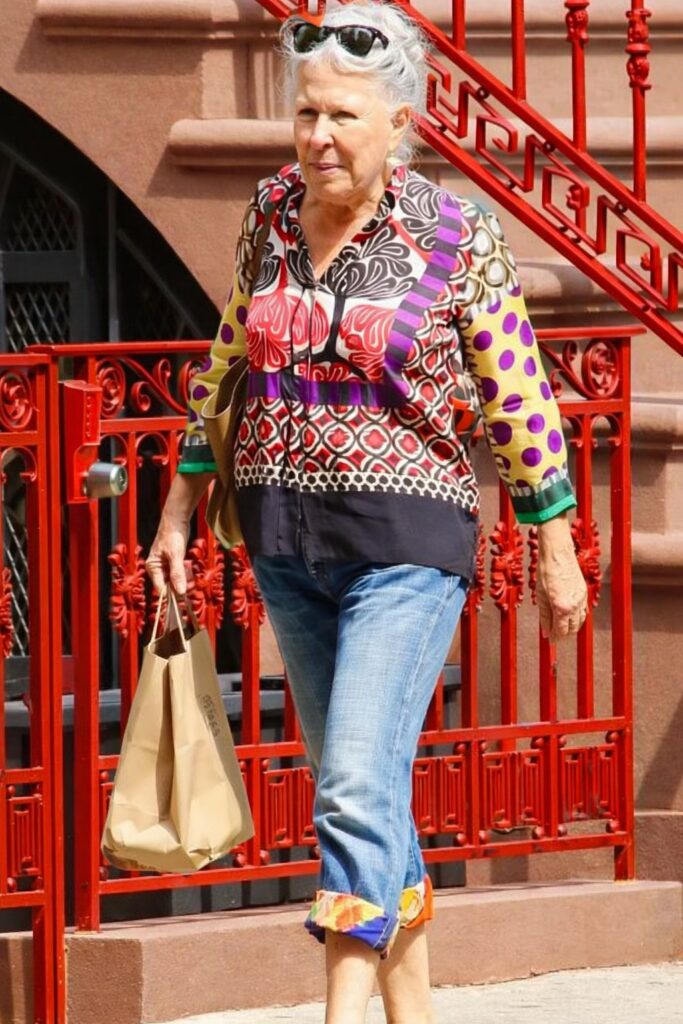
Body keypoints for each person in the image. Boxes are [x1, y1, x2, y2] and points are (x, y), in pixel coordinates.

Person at [146, 3, 588, 1022]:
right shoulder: (268, 211)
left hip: (406, 546)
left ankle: (341, 1012)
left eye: (342, 116)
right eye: (306, 113)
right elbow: (229, 350)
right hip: (283, 540)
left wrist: (552, 540)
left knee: (348, 786)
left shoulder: (453, 233)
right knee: (369, 790)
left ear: (400, 124)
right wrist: (181, 501)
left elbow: (516, 392)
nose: (318, 137)